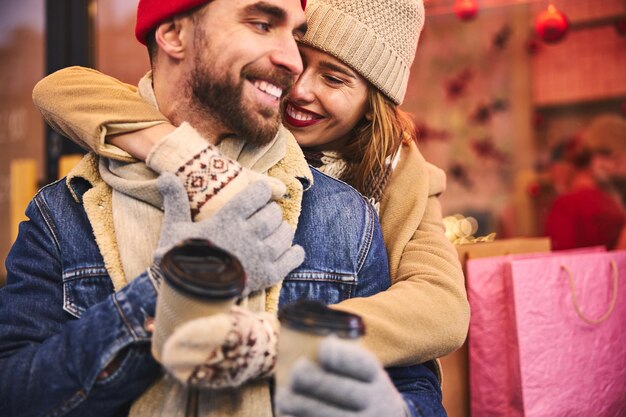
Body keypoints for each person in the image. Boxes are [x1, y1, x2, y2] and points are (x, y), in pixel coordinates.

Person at [0, 1, 447, 417]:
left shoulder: (362, 205)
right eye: (262, 25)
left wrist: (295, 351)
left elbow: (438, 313)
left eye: (333, 78)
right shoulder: (65, 210)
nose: (296, 75)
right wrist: (175, 282)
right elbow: (18, 393)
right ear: (172, 34)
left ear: (374, 107)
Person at [544, 138, 625, 251]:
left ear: (567, 167)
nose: (553, 177)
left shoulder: (565, 205)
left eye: (554, 170)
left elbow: (559, 258)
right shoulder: (612, 203)